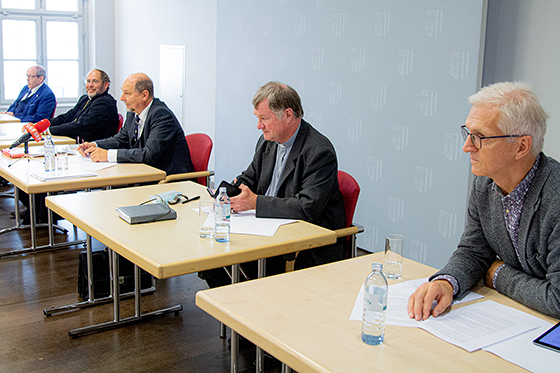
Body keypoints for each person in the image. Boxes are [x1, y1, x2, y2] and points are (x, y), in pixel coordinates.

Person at [407, 81, 560, 320]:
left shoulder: (556, 199)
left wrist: (498, 274)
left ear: (521, 146)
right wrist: (447, 282)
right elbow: (474, 251)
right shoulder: (486, 183)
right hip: (518, 316)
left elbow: (557, 299)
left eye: (479, 137)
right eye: (468, 133)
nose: (467, 146)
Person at [200, 81, 345, 288]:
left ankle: (251, 307)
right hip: (266, 228)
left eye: (263, 119)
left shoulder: (319, 151)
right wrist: (233, 190)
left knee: (225, 254)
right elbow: (250, 177)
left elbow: (307, 207)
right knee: (211, 255)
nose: (259, 126)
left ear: (287, 115)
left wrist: (255, 203)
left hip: (304, 241)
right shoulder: (266, 141)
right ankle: (237, 307)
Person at [78, 73, 194, 175]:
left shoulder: (162, 115)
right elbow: (121, 139)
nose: (122, 98)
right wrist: (96, 145)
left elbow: (148, 155)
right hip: (144, 174)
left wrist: (107, 155)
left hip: (169, 180)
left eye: (127, 93)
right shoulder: (133, 112)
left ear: (144, 95)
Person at [49, 68, 119, 142]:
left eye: (95, 81)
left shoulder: (105, 104)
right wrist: (44, 125)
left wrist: (49, 131)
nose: (90, 85)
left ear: (105, 84)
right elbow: (67, 117)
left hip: (94, 148)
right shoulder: (85, 98)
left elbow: (80, 127)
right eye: (88, 81)